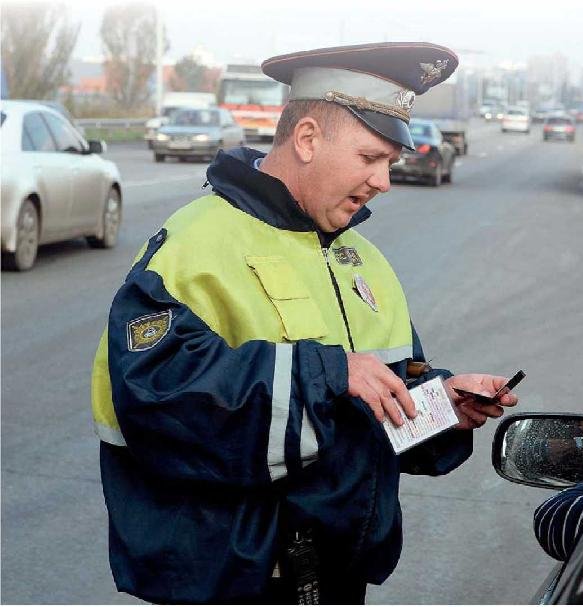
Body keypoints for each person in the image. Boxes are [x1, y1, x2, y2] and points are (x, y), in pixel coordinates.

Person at [90, 42, 519, 604]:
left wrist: (442, 407)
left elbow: (376, 403)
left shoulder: (364, 259)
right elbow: (158, 400)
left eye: (390, 163)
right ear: (308, 138)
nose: (384, 182)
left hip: (335, 580)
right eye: (370, 159)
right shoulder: (196, 243)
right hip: (231, 584)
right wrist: (329, 374)